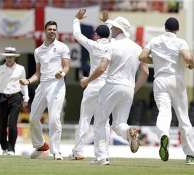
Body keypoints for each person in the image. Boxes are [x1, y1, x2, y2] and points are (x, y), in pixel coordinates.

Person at [81, 16, 149, 165]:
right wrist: (134, 88)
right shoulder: (138, 47)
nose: (110, 30)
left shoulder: (112, 45)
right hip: (128, 89)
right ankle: (129, 132)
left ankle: (101, 157)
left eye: (113, 27)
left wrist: (87, 80)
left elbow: (101, 68)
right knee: (119, 124)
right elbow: (146, 72)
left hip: (111, 85)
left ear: (119, 29)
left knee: (100, 121)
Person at [139, 17, 194, 164]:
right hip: (177, 80)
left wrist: (155, 61)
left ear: (165, 28)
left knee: (164, 112)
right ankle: (190, 155)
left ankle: (164, 135)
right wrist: (191, 65)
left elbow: (142, 56)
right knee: (183, 118)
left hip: (160, 80)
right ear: (177, 29)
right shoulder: (180, 42)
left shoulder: (155, 41)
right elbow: (188, 58)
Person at [20, 21, 71, 160]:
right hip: (42, 85)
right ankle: (41, 145)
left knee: (54, 119)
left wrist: (61, 73)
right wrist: (28, 81)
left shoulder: (62, 47)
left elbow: (66, 66)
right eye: (50, 29)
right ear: (45, 31)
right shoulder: (38, 51)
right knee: (33, 118)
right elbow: (38, 74)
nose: (52, 31)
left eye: (54, 29)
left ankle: (56, 151)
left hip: (57, 84)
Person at [71, 9, 112, 160]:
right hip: (107, 88)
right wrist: (107, 22)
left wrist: (76, 19)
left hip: (94, 85)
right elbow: (109, 33)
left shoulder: (94, 45)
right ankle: (104, 152)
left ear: (96, 35)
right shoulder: (113, 46)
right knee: (105, 121)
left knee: (85, 119)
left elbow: (77, 35)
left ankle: (78, 151)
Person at [0, 47, 29, 155]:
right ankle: (4, 148)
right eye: (7, 57)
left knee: (12, 124)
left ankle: (11, 148)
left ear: (14, 58)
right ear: (5, 57)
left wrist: (26, 97)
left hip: (15, 97)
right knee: (2, 125)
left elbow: (23, 84)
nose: (9, 59)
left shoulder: (21, 68)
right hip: (2, 97)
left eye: (11, 57)